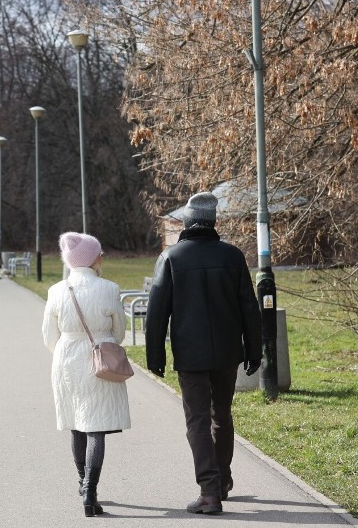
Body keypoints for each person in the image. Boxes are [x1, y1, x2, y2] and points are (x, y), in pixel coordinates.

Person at [144, 192, 262, 515]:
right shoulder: (233, 257)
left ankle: (210, 492)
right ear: (212, 222)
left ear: (186, 221)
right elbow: (249, 309)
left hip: (191, 356)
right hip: (227, 353)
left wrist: (155, 356)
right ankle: (222, 481)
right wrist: (254, 350)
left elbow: (156, 312)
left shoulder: (171, 258)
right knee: (220, 415)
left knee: (197, 419)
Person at [42, 232, 130, 517]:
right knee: (96, 426)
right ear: (92, 258)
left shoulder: (56, 290)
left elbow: (48, 336)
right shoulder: (109, 288)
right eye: (100, 253)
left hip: (66, 359)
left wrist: (67, 350)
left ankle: (82, 484)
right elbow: (119, 333)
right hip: (98, 356)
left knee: (76, 423)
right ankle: (91, 493)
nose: (102, 257)